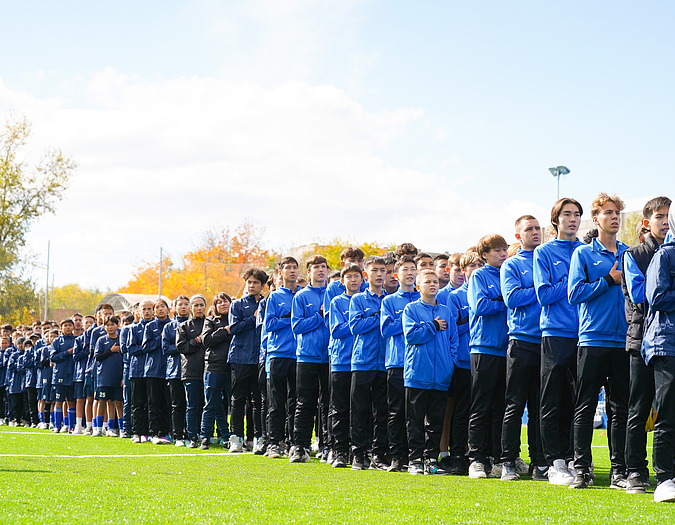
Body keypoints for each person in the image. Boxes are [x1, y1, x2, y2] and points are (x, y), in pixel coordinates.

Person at [568, 192, 629, 489]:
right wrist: (608, 280)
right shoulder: (583, 254)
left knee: (621, 409)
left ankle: (620, 470)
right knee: (585, 406)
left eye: (617, 212)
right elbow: (574, 294)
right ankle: (581, 468)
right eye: (608, 212)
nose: (614, 217)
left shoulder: (630, 253)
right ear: (596, 219)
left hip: (624, 343)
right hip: (593, 339)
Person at [533, 197, 585, 485]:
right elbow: (544, 295)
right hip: (555, 333)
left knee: (578, 402)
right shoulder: (544, 253)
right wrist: (573, 282)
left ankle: (575, 459)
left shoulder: (586, 251)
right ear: (556, 220)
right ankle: (554, 462)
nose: (573, 219)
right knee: (552, 400)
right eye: (567, 214)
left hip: (585, 335)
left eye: (577, 214)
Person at [621, 196, 671, 493]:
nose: (665, 222)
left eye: (669, 216)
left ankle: (666, 470)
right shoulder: (634, 254)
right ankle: (635, 470)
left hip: (668, 340)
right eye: (660, 217)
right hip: (641, 338)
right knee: (639, 407)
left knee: (667, 409)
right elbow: (642, 294)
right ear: (646, 222)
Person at [499, 215, 545, 481]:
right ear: (518, 236)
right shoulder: (512, 264)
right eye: (529, 229)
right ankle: (508, 461)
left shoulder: (547, 259)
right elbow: (513, 298)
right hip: (521, 341)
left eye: (538, 228)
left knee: (541, 405)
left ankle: (539, 463)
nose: (535, 232)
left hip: (547, 342)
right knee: (515, 405)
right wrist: (542, 289)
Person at [403, 269, 458, 475]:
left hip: (441, 376)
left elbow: (453, 339)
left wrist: (450, 363)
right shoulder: (411, 309)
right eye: (427, 282)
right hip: (418, 374)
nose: (433, 285)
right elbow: (411, 336)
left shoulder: (446, 311)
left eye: (435, 281)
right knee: (415, 421)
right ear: (418, 287)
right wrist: (432, 326)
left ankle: (430, 460)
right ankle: (415, 460)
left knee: (435, 421)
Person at [467, 234, 509, 479]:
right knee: (480, 407)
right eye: (496, 250)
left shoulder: (508, 273)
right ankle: (476, 459)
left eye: (504, 249)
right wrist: (503, 302)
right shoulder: (479, 276)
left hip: (506, 349)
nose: (502, 254)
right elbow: (479, 306)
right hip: (483, 348)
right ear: (484, 254)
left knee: (500, 408)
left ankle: (497, 457)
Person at [642, 206, 675, 502]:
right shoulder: (664, 255)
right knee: (667, 410)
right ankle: (665, 478)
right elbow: (656, 297)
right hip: (667, 343)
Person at [349, 255, 389, 471]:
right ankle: (358, 453)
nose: (380, 274)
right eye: (375, 270)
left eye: (383, 270)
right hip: (362, 361)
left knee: (381, 411)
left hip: (385, 362)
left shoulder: (390, 299)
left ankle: (378, 454)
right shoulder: (357, 300)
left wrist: (377, 317)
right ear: (366, 274)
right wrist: (379, 317)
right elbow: (356, 327)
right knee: (359, 410)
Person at [289, 255, 330, 463]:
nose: (320, 270)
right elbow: (296, 326)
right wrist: (319, 316)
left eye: (323, 267)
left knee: (328, 404)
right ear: (309, 272)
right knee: (305, 403)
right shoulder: (301, 297)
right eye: (316, 267)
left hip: (330, 357)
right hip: (307, 356)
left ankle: (326, 446)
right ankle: (300, 446)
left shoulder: (335, 294)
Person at [380, 255, 419, 472]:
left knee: (416, 414)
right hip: (396, 362)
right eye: (405, 269)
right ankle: (397, 456)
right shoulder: (389, 301)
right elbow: (386, 330)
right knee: (396, 412)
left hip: (419, 363)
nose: (410, 273)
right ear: (396, 275)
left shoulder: (426, 300)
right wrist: (410, 319)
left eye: (413, 269)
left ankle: (415, 456)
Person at [264, 257, 300, 459]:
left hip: (298, 355)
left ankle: (292, 442)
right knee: (276, 401)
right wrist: (289, 318)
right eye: (288, 268)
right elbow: (269, 324)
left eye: (295, 268)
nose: (292, 271)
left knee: (295, 401)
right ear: (280, 272)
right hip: (278, 353)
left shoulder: (302, 296)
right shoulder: (275, 297)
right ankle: (273, 443)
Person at [228, 268, 268, 452]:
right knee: (238, 399)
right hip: (240, 357)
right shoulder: (237, 304)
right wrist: (253, 319)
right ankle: (235, 437)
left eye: (256, 283)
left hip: (260, 357)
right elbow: (234, 328)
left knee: (258, 400)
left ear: (262, 285)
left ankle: (257, 437)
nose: (252, 286)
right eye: (249, 282)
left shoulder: (267, 303)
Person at [328, 264, 363, 468]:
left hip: (361, 362)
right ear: (343, 281)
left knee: (359, 409)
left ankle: (358, 451)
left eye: (357, 276)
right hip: (341, 361)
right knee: (339, 409)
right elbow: (337, 330)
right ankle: (339, 450)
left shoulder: (368, 299)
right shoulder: (337, 302)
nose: (353, 280)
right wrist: (359, 322)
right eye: (349, 276)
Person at [201, 293, 233, 450]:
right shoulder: (210, 320)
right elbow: (207, 340)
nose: (223, 304)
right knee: (211, 404)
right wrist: (225, 331)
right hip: (213, 367)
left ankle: (229, 437)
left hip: (232, 367)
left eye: (225, 301)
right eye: (219, 302)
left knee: (230, 405)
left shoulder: (235, 319)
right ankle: (205, 437)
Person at [177, 294, 208, 449]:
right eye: (195, 305)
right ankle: (193, 436)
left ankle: (206, 436)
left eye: (201, 305)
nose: (199, 308)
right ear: (191, 308)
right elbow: (181, 347)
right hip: (190, 371)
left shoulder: (210, 324)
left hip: (210, 370)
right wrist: (196, 341)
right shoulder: (184, 326)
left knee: (208, 405)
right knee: (192, 406)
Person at [142, 299, 172, 444]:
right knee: (154, 403)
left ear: (168, 309)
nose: (160, 309)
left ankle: (167, 432)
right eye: (157, 307)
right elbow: (145, 346)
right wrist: (160, 338)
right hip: (153, 370)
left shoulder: (173, 325)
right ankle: (153, 433)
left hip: (170, 369)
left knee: (168, 403)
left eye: (163, 307)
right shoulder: (150, 326)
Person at [162, 296, 190, 446]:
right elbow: (165, 348)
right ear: (174, 308)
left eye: (186, 304)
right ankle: (177, 434)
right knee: (176, 404)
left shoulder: (194, 324)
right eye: (180, 305)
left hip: (192, 370)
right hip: (174, 371)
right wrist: (183, 346)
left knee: (192, 404)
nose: (183, 307)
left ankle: (191, 433)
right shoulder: (169, 327)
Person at [128, 300, 154, 443]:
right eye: (144, 309)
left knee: (151, 402)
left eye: (149, 308)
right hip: (137, 370)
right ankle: (137, 432)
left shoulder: (157, 327)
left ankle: (151, 432)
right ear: (139, 312)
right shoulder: (134, 329)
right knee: (137, 403)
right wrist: (146, 347)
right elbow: (131, 349)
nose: (147, 311)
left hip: (152, 370)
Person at [93, 316, 124, 437]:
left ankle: (119, 429)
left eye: (112, 324)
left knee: (118, 403)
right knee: (102, 402)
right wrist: (111, 350)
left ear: (118, 325)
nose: (110, 327)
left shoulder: (121, 339)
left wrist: (122, 377)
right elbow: (97, 357)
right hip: (103, 377)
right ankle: (98, 428)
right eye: (108, 325)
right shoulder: (101, 340)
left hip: (117, 378)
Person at [50, 319, 76, 433]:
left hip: (72, 375)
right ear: (61, 328)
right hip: (59, 375)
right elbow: (53, 357)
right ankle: (57, 426)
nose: (68, 327)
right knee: (59, 401)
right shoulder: (56, 341)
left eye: (70, 325)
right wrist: (67, 353)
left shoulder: (77, 340)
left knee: (71, 401)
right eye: (65, 325)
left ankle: (71, 426)